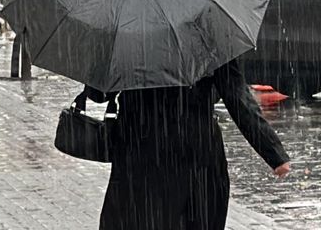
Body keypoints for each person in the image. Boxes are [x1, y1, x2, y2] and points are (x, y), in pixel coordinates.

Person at [99, 61, 291, 230]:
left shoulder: (126, 39)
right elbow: (236, 95)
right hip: (196, 151)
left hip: (140, 150)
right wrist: (273, 152)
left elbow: (99, 93)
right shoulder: (207, 37)